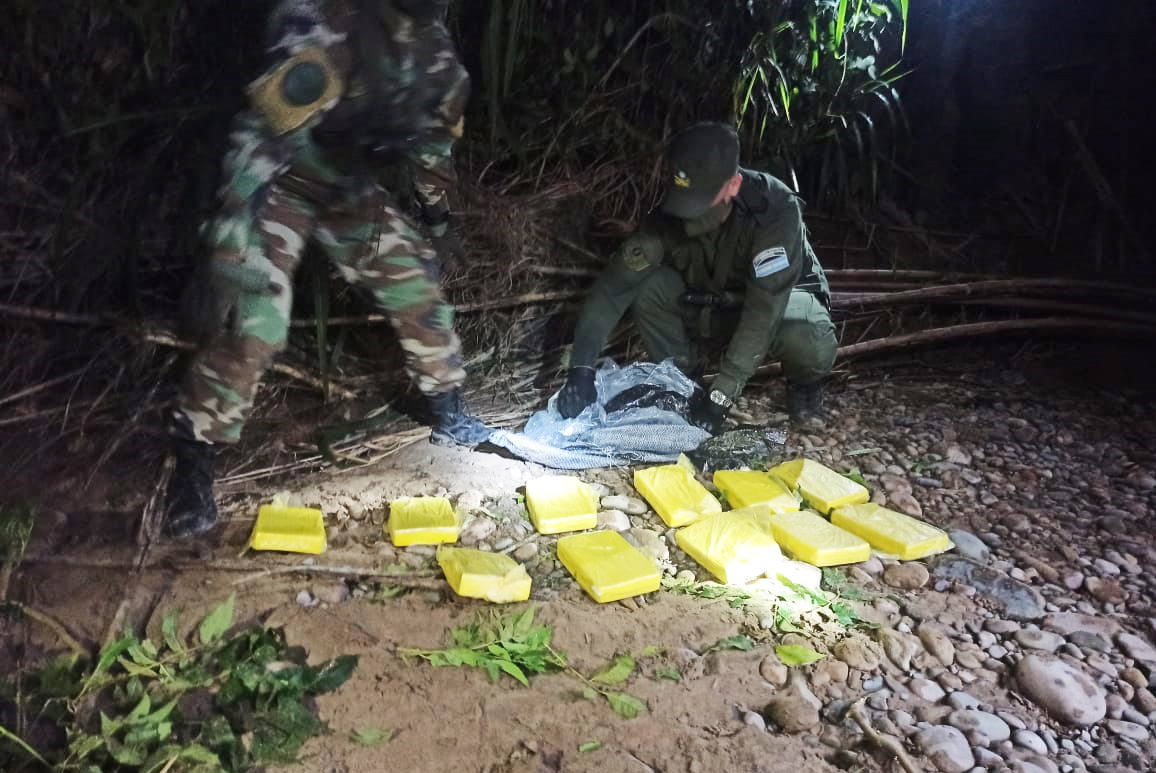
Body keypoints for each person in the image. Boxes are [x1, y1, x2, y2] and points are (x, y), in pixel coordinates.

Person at [165, 0, 489, 538]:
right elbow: (260, 135)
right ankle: (195, 461)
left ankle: (448, 407)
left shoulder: (437, 54)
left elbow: (434, 144)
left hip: (348, 189)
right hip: (280, 180)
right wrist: (229, 240)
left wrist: (435, 220)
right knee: (253, 322)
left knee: (417, 288)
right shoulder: (329, 24)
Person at [557, 122, 837, 433]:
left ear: (733, 185)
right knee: (650, 287)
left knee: (806, 334)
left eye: (702, 201)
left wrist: (722, 396)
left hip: (774, 308)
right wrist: (580, 370)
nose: (688, 214)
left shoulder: (774, 209)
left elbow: (764, 309)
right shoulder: (669, 216)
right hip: (711, 304)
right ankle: (684, 383)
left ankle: (805, 386)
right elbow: (613, 289)